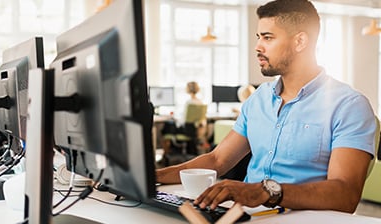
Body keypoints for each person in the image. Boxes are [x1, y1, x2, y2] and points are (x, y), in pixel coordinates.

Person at [156, 0, 377, 214]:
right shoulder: (259, 98)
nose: (257, 47)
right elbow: (217, 160)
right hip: (244, 215)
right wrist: (152, 176)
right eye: (258, 37)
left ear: (300, 41)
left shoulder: (349, 106)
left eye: (268, 37)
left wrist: (265, 192)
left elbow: (345, 194)